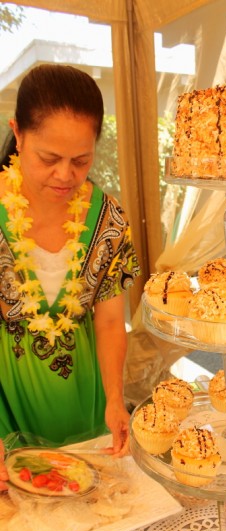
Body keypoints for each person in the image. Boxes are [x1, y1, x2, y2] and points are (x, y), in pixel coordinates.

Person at [0, 64, 140, 491]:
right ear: (17, 134)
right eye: (49, 158)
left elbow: (112, 321)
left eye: (81, 160)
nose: (65, 175)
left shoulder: (107, 219)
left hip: (87, 400)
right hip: (8, 405)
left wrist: (116, 399)